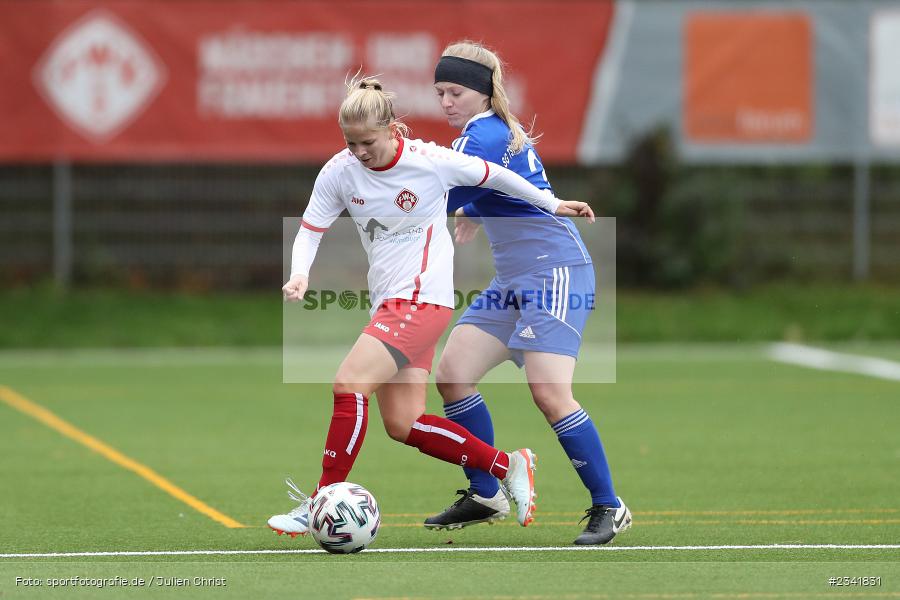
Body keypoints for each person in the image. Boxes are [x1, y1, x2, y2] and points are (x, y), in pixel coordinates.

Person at [267, 74, 596, 537]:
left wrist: (552, 202)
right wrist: (300, 272)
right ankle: (508, 465)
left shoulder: (429, 161)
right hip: (389, 303)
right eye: (351, 142)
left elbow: (496, 175)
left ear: (392, 129)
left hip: (421, 301)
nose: (359, 152)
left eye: (368, 142)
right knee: (403, 424)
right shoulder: (339, 171)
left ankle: (320, 500)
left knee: (348, 385)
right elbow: (311, 227)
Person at [427, 41, 631, 545]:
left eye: (455, 92)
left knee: (549, 392)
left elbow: (442, 190)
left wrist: (383, 179)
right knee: (454, 374)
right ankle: (487, 491)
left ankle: (610, 506)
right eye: (439, 93)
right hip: (515, 281)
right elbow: (501, 187)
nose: (446, 102)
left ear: (480, 94)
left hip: (556, 273)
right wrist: (475, 210)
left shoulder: (487, 135)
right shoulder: (483, 133)